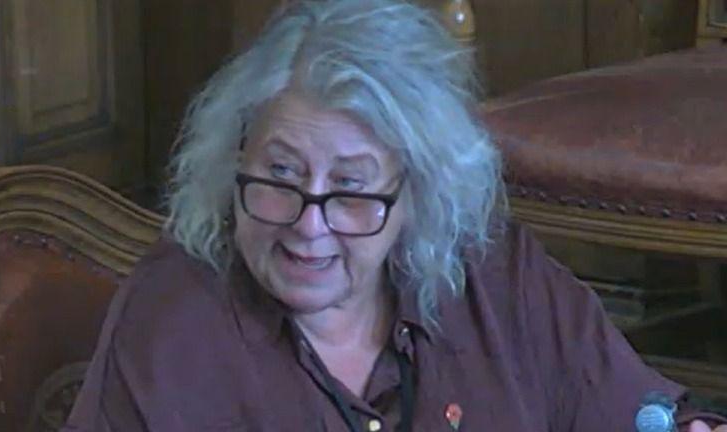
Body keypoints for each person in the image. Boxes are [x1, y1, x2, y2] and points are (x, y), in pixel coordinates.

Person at [62, 0, 727, 431]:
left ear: (417, 194)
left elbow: (639, 412)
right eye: (280, 175)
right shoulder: (177, 319)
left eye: (351, 189)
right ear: (234, 158)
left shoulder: (493, 276)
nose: (308, 225)